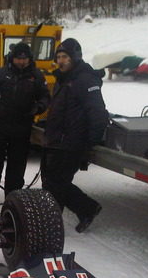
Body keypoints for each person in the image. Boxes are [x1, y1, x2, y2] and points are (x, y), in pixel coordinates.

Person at [41, 38, 109, 233]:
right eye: (59, 57)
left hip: (71, 144)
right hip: (56, 141)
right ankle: (87, 208)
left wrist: (89, 143)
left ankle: (51, 225)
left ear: (75, 58)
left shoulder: (84, 80)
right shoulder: (65, 79)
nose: (61, 61)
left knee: (56, 183)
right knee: (52, 181)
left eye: (65, 57)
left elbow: (98, 113)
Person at [0, 42, 49, 203]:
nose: (21, 62)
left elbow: (45, 97)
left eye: (25, 59)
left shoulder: (36, 76)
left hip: (22, 130)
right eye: (18, 58)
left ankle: (12, 197)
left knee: (17, 166)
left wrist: (39, 107)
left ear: (29, 59)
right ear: (12, 58)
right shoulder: (1, 74)